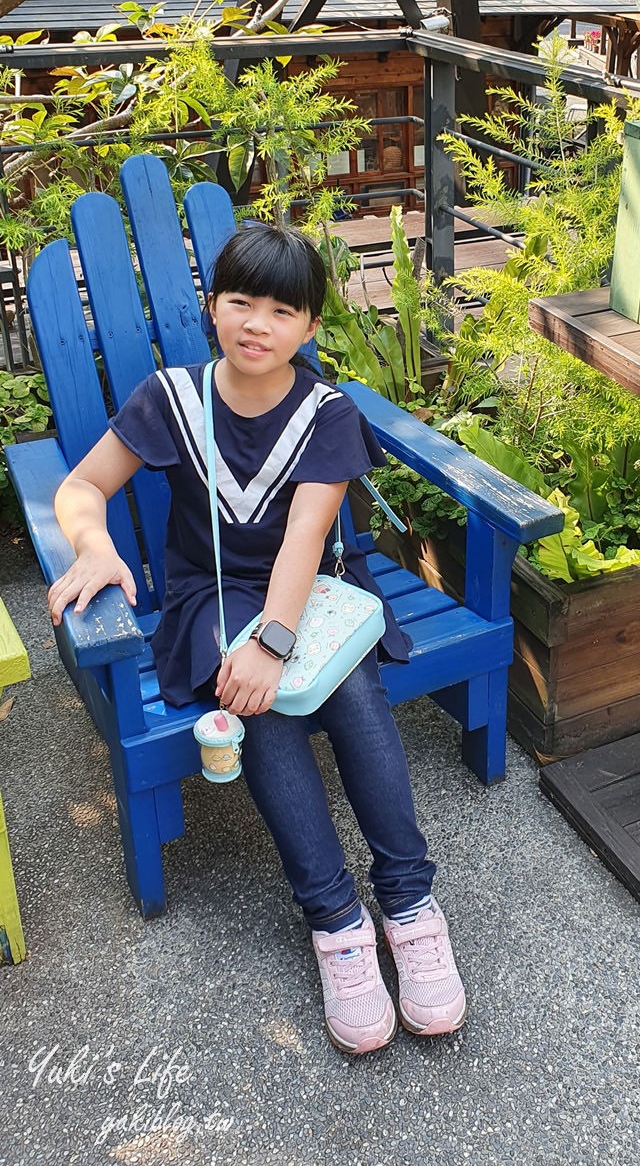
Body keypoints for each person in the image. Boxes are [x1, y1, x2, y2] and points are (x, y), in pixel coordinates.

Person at [47, 222, 467, 1055]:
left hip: (314, 586)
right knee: (259, 707)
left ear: (310, 328)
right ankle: (337, 922)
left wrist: (274, 641)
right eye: (240, 301)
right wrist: (95, 544)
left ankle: (410, 903)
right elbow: (83, 485)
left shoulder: (326, 414)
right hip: (209, 596)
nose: (257, 324)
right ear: (213, 308)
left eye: (283, 310)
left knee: (347, 685)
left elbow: (308, 540)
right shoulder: (171, 398)